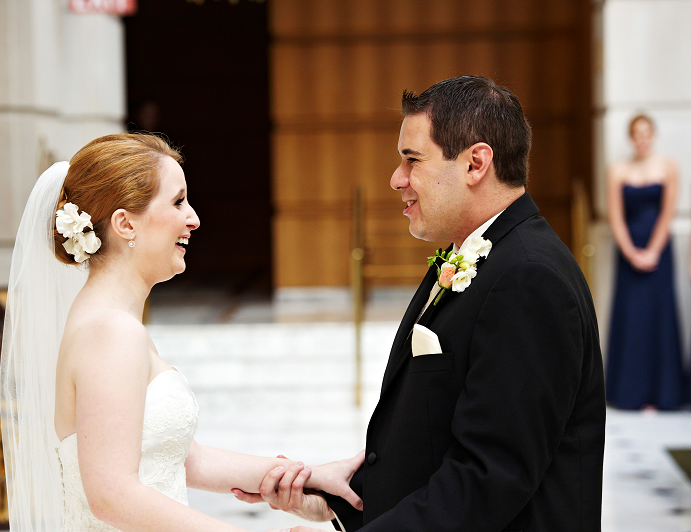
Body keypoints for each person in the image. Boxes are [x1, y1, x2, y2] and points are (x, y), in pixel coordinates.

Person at [237, 76, 607, 531]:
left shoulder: (529, 279)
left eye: (412, 159)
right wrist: (338, 502)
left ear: (476, 163)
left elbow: (489, 478)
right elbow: (431, 445)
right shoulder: (472, 255)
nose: (397, 179)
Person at [0, 133, 363, 532]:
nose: (194, 218)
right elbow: (112, 495)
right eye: (177, 202)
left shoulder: (113, 322)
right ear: (125, 224)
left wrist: (309, 477)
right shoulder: (110, 331)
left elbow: (188, 460)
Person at [604, 114, 685, 410]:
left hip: (659, 252)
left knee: (659, 318)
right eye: (636, 133)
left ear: (653, 135)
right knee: (632, 320)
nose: (642, 138)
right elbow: (615, 215)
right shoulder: (616, 169)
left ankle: (662, 394)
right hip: (628, 253)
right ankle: (629, 393)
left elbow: (667, 212)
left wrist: (652, 251)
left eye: (646, 133)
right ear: (630, 137)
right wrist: (631, 252)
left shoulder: (669, 167)